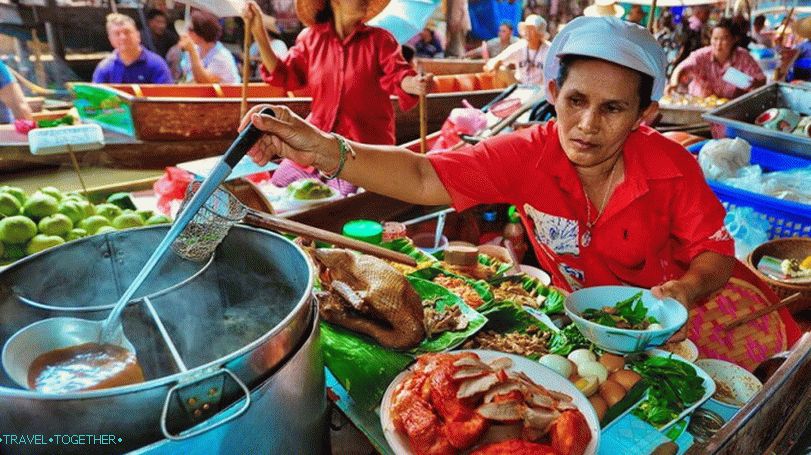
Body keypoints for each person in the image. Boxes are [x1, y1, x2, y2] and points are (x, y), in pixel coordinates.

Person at [240, 16, 801, 370]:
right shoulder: (526, 152)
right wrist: (323, 151)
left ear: (643, 115)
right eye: (575, 100)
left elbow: (714, 252)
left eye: (612, 109)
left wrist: (682, 291)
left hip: (666, 321)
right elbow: (422, 176)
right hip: (570, 317)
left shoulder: (674, 167)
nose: (586, 125)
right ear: (553, 91)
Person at [242, 0, 431, 193]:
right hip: (316, 142)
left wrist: (414, 84)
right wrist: (259, 32)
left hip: (362, 151)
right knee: (278, 186)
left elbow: (398, 75)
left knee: (344, 194)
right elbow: (284, 74)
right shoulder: (310, 39)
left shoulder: (380, 40)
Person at [668, 18, 766, 99]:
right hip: (699, 107)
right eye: (715, 39)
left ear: (734, 39)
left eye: (724, 39)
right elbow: (681, 68)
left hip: (728, 110)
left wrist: (753, 84)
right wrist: (674, 84)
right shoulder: (701, 55)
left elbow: (761, 80)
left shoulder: (743, 57)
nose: (718, 44)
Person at [92, 13, 173, 84]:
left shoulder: (156, 65)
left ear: (138, 35)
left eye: (127, 32)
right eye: (117, 34)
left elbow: (167, 98)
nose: (123, 37)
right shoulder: (104, 68)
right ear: (110, 39)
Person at [484, 14, 550, 87]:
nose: (527, 32)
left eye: (532, 30)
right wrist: (492, 66)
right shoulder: (519, 46)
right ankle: (503, 95)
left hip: (541, 90)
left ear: (539, 33)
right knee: (501, 70)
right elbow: (496, 60)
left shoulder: (549, 49)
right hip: (520, 87)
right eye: (526, 29)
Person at [178, 10, 241, 84]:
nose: (187, 32)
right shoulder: (195, 49)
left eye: (190, 29)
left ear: (202, 32)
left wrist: (192, 51)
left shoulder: (222, 56)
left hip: (226, 94)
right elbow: (187, 77)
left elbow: (204, 81)